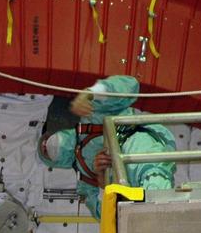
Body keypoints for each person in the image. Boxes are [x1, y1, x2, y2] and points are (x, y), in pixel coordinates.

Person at [37, 75, 176, 219]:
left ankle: (159, 207)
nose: (46, 146)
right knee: (135, 206)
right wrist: (102, 182)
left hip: (137, 146)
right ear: (53, 163)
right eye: (44, 151)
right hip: (126, 187)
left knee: (143, 162)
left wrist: (92, 94)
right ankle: (158, 218)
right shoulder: (86, 184)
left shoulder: (90, 114)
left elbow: (129, 85)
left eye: (44, 142)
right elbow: (106, 216)